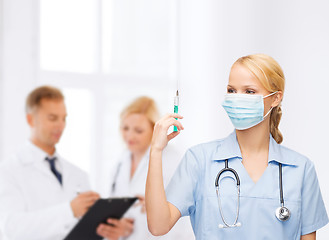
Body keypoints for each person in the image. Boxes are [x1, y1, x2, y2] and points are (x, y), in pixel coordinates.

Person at [145, 54, 329, 240]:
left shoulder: (301, 169)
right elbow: (159, 226)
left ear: (275, 98)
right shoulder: (199, 160)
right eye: (231, 90)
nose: (237, 98)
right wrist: (156, 150)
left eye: (249, 91)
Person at [0, 86, 100, 240]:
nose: (60, 125)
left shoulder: (78, 174)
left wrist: (106, 229)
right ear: (30, 119)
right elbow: (11, 228)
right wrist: (69, 211)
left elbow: (88, 230)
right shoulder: (9, 170)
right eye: (52, 118)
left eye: (64, 118)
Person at [96, 96, 194, 240]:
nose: (130, 135)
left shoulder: (171, 158)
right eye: (125, 128)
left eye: (138, 131)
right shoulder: (121, 161)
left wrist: (154, 206)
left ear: (153, 129)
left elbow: (180, 214)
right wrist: (120, 226)